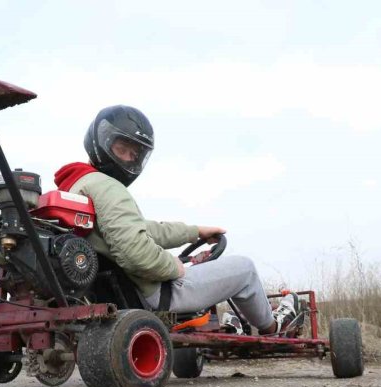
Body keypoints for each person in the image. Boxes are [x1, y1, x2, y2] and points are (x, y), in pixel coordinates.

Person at [53, 105, 297, 334]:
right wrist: (174, 267)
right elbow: (135, 252)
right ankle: (273, 328)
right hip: (157, 294)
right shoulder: (110, 188)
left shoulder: (79, 186)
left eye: (133, 154)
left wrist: (194, 232)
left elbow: (140, 230)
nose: (127, 159)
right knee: (244, 268)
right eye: (121, 149)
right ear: (102, 142)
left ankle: (240, 321)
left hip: (123, 290)